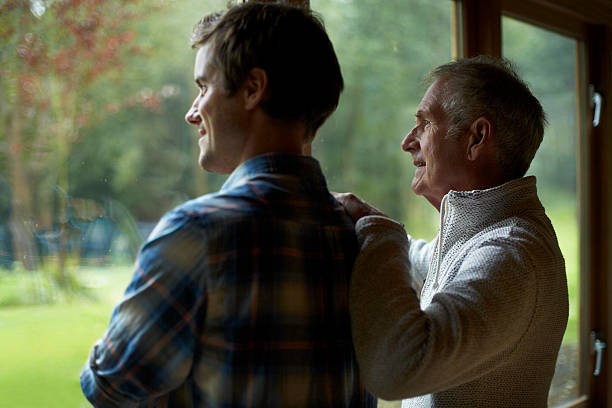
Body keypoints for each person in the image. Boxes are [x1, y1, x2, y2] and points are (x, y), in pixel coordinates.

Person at [80, 2, 375, 407]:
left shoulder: (197, 233)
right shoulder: (360, 235)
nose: (192, 112)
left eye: (203, 87)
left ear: (253, 88)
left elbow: (109, 386)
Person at [335, 56, 569, 407]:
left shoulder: (511, 254)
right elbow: (420, 260)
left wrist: (380, 234)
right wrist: (367, 220)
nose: (407, 142)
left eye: (425, 123)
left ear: (476, 138)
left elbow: (399, 368)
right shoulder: (485, 238)